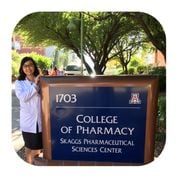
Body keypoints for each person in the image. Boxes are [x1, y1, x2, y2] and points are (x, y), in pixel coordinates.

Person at [15, 56, 43, 164]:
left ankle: (30, 165)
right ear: (22, 68)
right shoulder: (19, 83)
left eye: (30, 65)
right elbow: (23, 98)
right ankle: (29, 165)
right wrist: (35, 85)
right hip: (28, 120)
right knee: (29, 147)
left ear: (34, 66)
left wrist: (38, 82)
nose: (28, 68)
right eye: (25, 66)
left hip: (40, 119)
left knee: (37, 147)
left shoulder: (41, 80)